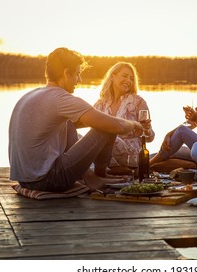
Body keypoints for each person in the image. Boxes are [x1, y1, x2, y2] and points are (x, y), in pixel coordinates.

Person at [8, 48, 143, 192]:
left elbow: (81, 122)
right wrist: (134, 124)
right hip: (49, 180)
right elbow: (115, 126)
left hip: (24, 180)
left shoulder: (30, 95)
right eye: (78, 74)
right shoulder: (61, 99)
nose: (79, 80)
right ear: (66, 73)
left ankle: (92, 176)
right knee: (106, 128)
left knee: (68, 124)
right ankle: (99, 175)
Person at [93, 62, 155, 168]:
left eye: (131, 78)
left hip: (131, 155)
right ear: (113, 76)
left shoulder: (138, 101)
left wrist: (147, 129)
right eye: (125, 76)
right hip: (106, 155)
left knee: (108, 136)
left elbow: (150, 138)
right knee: (77, 137)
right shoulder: (100, 104)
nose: (129, 81)